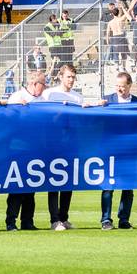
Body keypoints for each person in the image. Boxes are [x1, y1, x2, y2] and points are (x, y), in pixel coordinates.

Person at [39, 63, 93, 230]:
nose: (71, 80)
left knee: (68, 181)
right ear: (60, 77)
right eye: (68, 76)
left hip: (71, 142)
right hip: (53, 142)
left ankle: (64, 217)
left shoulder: (77, 97)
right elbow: (42, 116)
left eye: (73, 77)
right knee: (55, 180)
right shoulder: (49, 94)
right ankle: (54, 220)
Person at [99, 71, 137, 230]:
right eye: (117, 86)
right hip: (110, 150)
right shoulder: (107, 101)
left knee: (128, 187)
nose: (119, 89)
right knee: (108, 186)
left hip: (130, 151)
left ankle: (124, 219)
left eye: (122, 86)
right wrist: (96, 106)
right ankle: (106, 220)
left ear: (129, 85)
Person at [4, 70, 45, 231]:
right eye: (43, 83)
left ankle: (27, 221)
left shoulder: (43, 100)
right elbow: (6, 118)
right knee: (17, 186)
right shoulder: (17, 97)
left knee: (31, 187)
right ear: (34, 84)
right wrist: (16, 109)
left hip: (35, 147)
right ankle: (11, 221)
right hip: (17, 147)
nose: (45, 86)